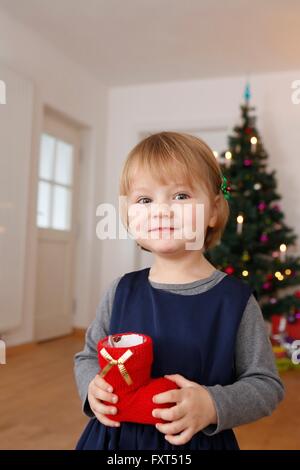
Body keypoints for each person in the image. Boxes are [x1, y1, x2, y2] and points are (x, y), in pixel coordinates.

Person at [74, 131, 284, 450]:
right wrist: (91, 386)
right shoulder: (121, 291)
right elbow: (88, 355)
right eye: (145, 200)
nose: (161, 210)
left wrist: (213, 404)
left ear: (213, 210)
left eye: (181, 196)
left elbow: (266, 385)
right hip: (113, 441)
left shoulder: (235, 302)